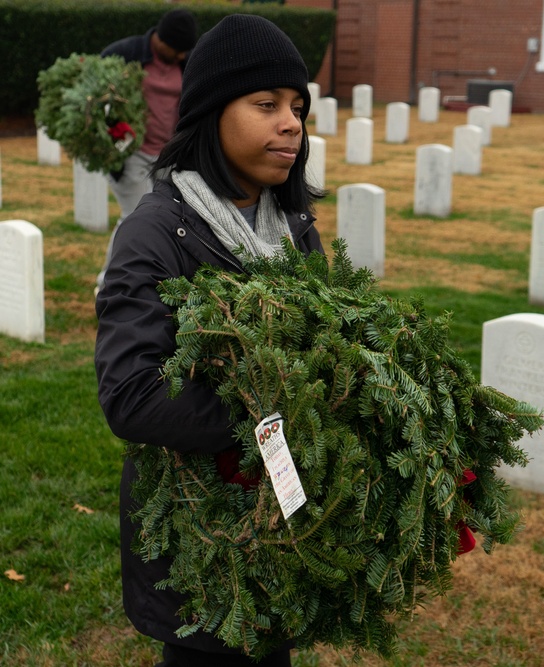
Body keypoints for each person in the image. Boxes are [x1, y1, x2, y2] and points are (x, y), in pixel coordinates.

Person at [94, 14, 324, 666]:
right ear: (211, 113)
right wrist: (271, 410)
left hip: (279, 522)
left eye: (298, 107)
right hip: (199, 535)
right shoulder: (156, 234)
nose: (291, 123)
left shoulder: (295, 224)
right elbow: (132, 393)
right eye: (267, 104)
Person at [96, 8, 198, 291]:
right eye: (175, 49)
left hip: (169, 156)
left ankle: (157, 280)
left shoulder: (186, 61)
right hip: (132, 154)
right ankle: (108, 285)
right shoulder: (124, 54)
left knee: (169, 220)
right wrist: (116, 137)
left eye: (183, 52)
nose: (179, 56)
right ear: (159, 38)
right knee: (134, 218)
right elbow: (96, 101)